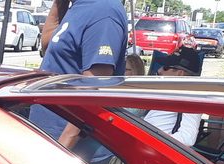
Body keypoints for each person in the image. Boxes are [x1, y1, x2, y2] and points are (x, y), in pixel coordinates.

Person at [32, 0, 127, 149]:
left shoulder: (104, 10)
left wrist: (62, 147)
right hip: (47, 135)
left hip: (71, 147)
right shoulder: (78, 5)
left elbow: (94, 87)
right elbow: (47, 46)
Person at [143, 48, 201, 146]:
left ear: (180, 74)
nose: (159, 70)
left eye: (165, 67)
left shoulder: (191, 97)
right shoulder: (168, 93)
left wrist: (152, 142)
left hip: (154, 150)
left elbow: (187, 137)